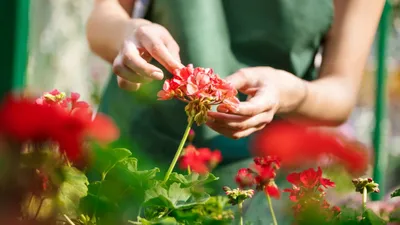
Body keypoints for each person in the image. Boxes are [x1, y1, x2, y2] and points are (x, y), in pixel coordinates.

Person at [86, 0, 385, 223]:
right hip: (137, 153)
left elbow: (341, 91)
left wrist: (288, 92)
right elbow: (102, 18)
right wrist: (130, 31)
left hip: (258, 182)